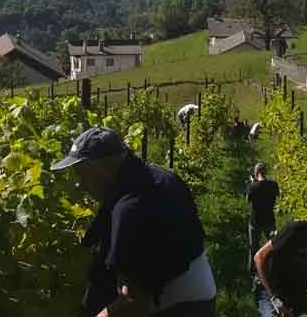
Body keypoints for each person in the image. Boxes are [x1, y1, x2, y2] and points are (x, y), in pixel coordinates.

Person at [52, 126, 217, 316]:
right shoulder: (159, 177)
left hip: (177, 307)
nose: (79, 183)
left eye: (81, 173)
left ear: (103, 169)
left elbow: (133, 301)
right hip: (201, 293)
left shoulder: (129, 210)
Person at [245, 162, 279, 272]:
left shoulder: (252, 187)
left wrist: (253, 183)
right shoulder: (274, 185)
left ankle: (253, 269)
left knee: (253, 247)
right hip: (269, 220)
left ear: (256, 173)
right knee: (273, 244)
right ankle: (273, 266)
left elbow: (247, 200)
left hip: (255, 222)